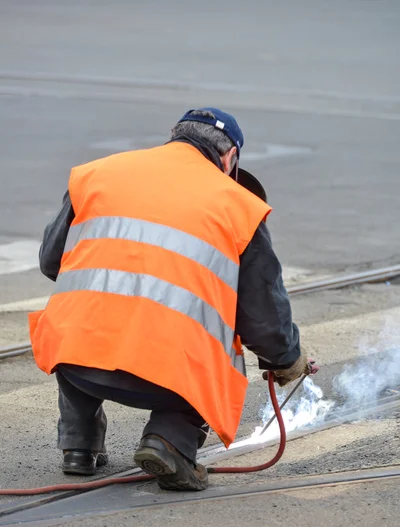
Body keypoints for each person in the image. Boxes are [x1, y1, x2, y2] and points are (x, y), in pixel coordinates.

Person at [30, 107, 315, 492]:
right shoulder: (239, 206)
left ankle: (78, 446)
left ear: (175, 136)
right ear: (230, 158)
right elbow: (261, 314)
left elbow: (52, 262)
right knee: (221, 348)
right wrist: (286, 360)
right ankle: (168, 440)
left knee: (76, 314)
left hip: (77, 362)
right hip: (166, 377)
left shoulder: (96, 175)